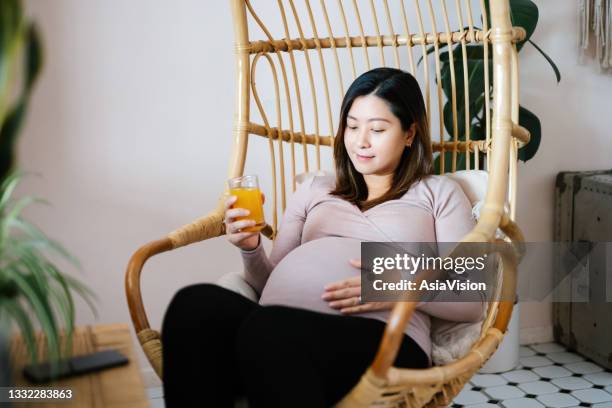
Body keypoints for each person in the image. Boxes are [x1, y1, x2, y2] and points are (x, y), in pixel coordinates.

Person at [162, 67, 486, 408]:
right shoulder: (314, 189)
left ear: (409, 134)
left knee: (272, 330)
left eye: (377, 129)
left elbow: (471, 299)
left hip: (382, 344)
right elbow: (268, 280)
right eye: (352, 126)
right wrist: (251, 248)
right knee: (194, 304)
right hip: (275, 331)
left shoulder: (437, 194)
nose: (360, 141)